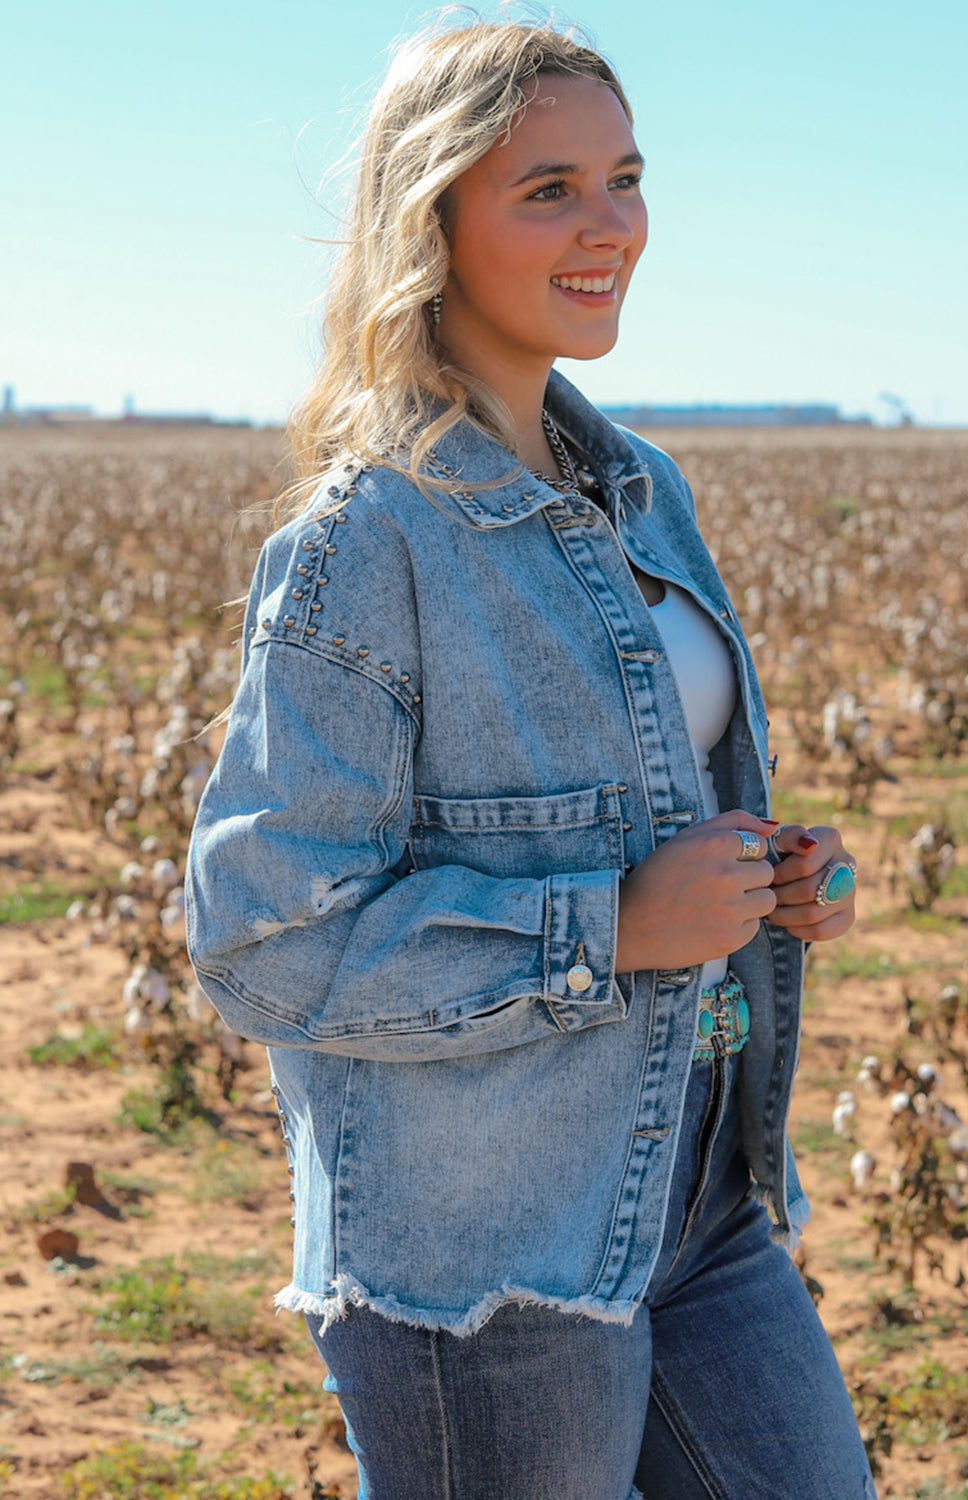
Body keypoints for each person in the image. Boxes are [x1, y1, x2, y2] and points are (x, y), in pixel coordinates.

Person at [185, 17, 876, 1499]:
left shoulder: (640, 486)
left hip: (691, 1185)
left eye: (622, 178)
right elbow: (260, 941)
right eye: (546, 188)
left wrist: (766, 874)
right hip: (481, 1254)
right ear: (428, 221)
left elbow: (650, 790)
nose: (608, 226)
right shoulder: (362, 542)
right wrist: (611, 927)